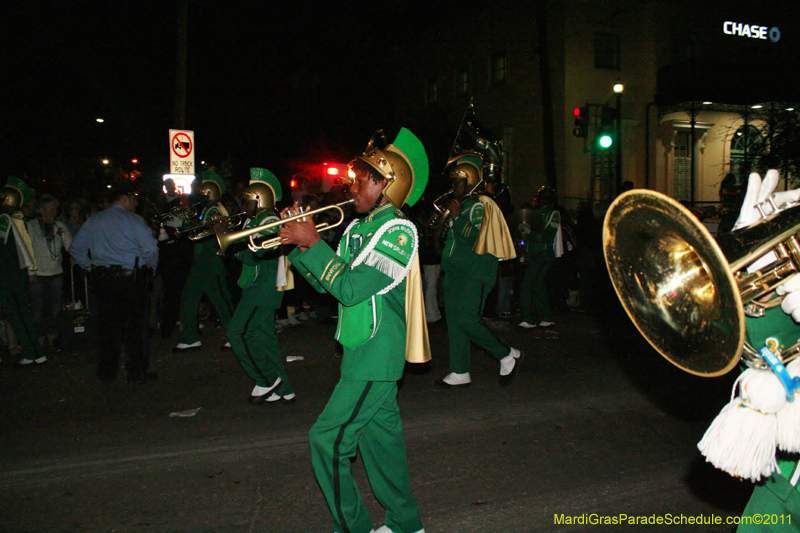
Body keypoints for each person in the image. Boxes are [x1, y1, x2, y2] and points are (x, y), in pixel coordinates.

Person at [279, 128, 430, 533]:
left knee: (326, 441)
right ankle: (405, 523)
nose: (353, 186)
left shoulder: (399, 230)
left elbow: (350, 288)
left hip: (376, 352)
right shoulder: (358, 229)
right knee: (381, 446)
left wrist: (315, 242)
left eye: (362, 180)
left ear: (386, 184)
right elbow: (325, 286)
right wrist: (301, 243)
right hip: (360, 351)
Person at [436, 154, 519, 388]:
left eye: (458, 181)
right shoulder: (464, 206)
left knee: (468, 321)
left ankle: (505, 354)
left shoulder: (483, 204)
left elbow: (482, 240)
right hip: (454, 272)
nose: (453, 186)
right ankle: (460, 371)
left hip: (474, 273)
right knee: (454, 322)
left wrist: (457, 219)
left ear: (470, 181)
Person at [70, 183, 158, 383]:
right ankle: (136, 372)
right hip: (131, 280)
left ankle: (107, 372)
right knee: (136, 328)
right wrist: (150, 270)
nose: (136, 202)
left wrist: (90, 268)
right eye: (133, 198)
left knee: (108, 328)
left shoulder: (93, 221)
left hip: (105, 281)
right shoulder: (134, 220)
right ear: (124, 199)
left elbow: (76, 249)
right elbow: (151, 250)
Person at [226, 168, 295, 404]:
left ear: (259, 200)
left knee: (239, 332)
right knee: (264, 338)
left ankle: (266, 380)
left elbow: (263, 251)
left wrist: (239, 252)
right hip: (258, 287)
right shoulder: (255, 219)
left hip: (262, 288)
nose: (243, 205)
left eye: (247, 201)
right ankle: (284, 389)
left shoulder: (269, 220)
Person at [173, 171, 236, 352]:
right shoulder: (209, 208)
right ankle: (189, 337)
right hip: (201, 261)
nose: (200, 194)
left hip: (210, 262)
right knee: (189, 298)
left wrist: (185, 225)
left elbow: (210, 232)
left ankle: (235, 335)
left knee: (221, 301)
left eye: (203, 191)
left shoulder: (215, 209)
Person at [0, 177, 44, 365]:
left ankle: (29, 351)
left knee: (14, 314)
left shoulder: (4, 220)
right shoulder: (14, 219)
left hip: (5, 275)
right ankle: (37, 352)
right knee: (22, 313)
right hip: (17, 273)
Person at [27, 193, 72, 352]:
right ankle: (39, 340)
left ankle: (52, 339)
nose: (54, 212)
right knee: (38, 309)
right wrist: (30, 270)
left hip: (56, 273)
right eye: (50, 209)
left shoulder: (59, 226)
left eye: (55, 209)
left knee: (54, 308)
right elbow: (26, 250)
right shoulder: (31, 226)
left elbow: (70, 246)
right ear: (41, 209)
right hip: (38, 274)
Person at [518, 186, 560, 329]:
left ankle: (528, 318)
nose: (537, 200)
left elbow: (546, 236)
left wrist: (530, 232)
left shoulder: (553, 214)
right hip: (533, 254)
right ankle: (546, 316)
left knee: (527, 285)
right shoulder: (534, 213)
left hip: (542, 255)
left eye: (540, 198)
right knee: (538, 286)